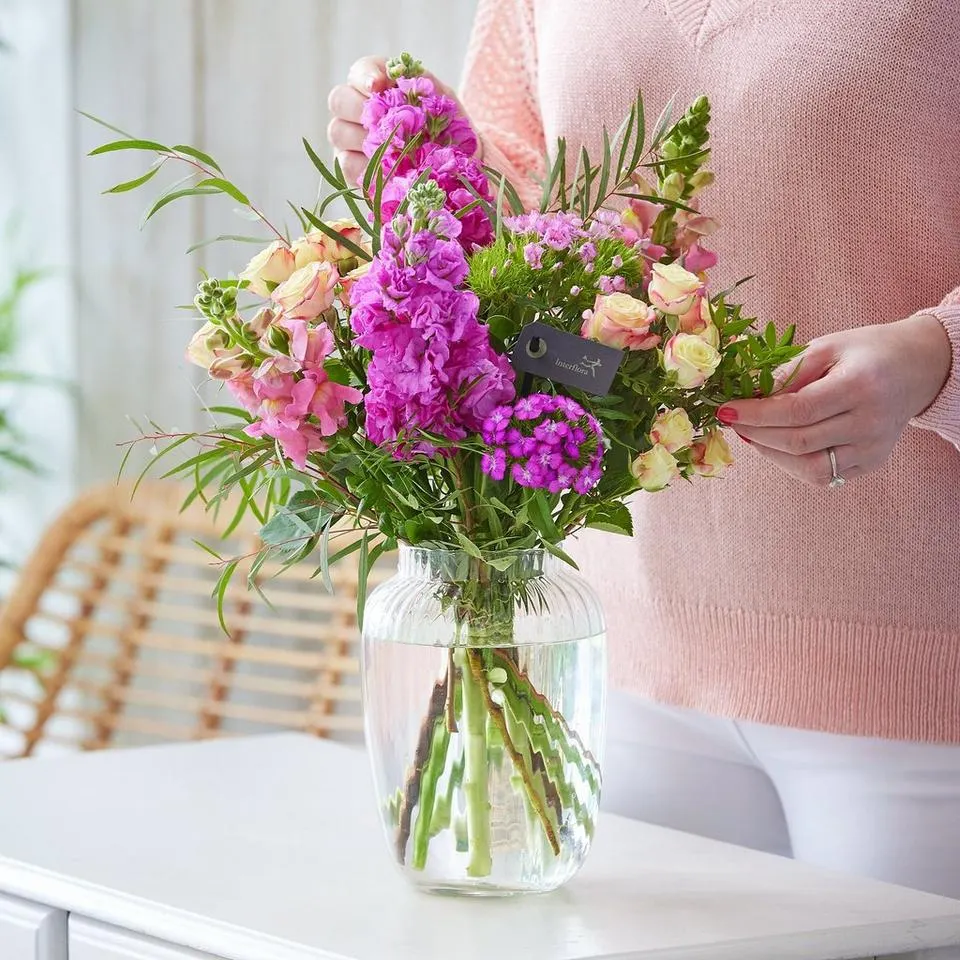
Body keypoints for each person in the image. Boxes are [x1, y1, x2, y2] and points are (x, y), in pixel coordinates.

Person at [328, 0, 960, 904]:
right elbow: (527, 259)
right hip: (608, 653)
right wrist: (427, 172)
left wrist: (938, 353)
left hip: (918, 684)